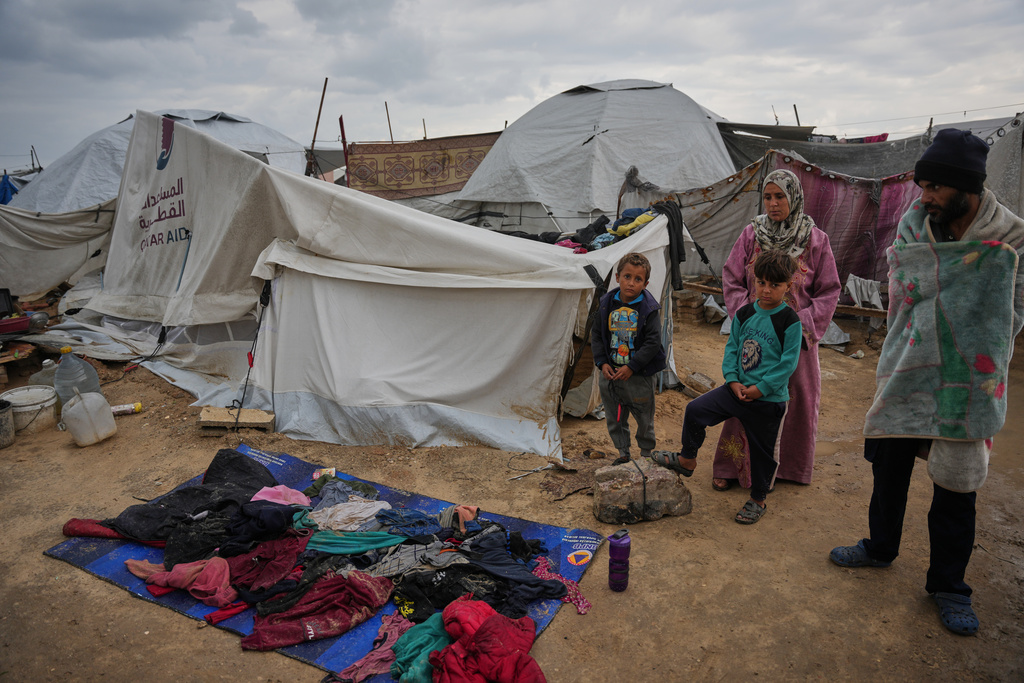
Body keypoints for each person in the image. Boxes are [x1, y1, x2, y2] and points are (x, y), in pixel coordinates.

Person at [829, 129, 1024, 636]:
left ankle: (949, 586)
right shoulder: (914, 227)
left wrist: (964, 330)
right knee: (888, 467)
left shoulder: (1011, 238)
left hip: (968, 379)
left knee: (957, 486)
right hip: (908, 365)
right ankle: (880, 548)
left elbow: (1013, 310)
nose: (925, 196)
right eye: (923, 185)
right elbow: (904, 293)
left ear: (968, 187)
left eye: (936, 186)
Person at [710, 169, 841, 492]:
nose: (773, 203)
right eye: (767, 197)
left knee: (798, 402)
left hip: (797, 340)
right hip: (755, 339)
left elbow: (829, 290)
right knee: (745, 396)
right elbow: (732, 279)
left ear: (793, 197)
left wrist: (801, 324)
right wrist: (749, 317)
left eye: (780, 196)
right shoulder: (751, 235)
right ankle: (731, 467)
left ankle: (790, 469)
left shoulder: (815, 239)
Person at [652, 250, 801, 524]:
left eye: (775, 285)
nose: (766, 290)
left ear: (788, 285)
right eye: (761, 282)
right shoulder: (744, 313)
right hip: (735, 390)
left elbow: (788, 363)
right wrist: (732, 380)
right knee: (695, 410)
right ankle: (687, 459)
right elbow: (732, 349)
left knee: (762, 453)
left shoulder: (790, 321)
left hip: (768, 400)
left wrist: (761, 388)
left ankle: (758, 499)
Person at [590, 252, 667, 466]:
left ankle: (646, 454)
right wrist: (602, 362)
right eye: (627, 276)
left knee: (644, 416)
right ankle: (623, 453)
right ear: (617, 277)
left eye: (638, 279)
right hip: (612, 373)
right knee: (615, 416)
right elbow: (597, 335)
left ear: (646, 283)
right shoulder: (606, 303)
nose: (631, 283)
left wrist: (632, 366)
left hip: (639, 376)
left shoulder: (649, 308)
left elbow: (653, 342)